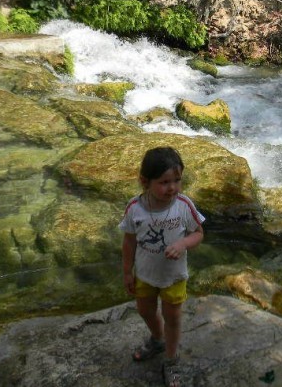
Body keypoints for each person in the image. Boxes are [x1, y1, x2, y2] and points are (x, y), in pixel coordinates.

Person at [119, 146, 205, 387]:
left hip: (174, 276)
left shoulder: (183, 205)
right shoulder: (135, 207)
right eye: (164, 182)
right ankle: (158, 339)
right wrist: (127, 271)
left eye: (177, 180)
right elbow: (129, 240)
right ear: (145, 181)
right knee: (145, 310)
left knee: (173, 317)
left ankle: (171, 358)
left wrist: (183, 243)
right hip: (145, 274)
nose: (173, 188)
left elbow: (198, 234)